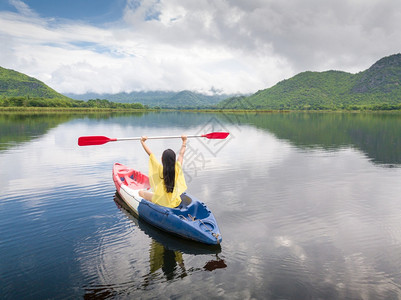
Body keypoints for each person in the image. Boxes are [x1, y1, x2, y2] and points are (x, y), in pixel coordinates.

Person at [139, 135, 188, 208]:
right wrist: (184, 141)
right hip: (175, 202)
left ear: (162, 159)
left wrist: (142, 141)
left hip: (161, 202)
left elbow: (150, 154)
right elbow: (181, 154)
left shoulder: (159, 168)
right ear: (174, 159)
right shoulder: (178, 168)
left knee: (140, 193)